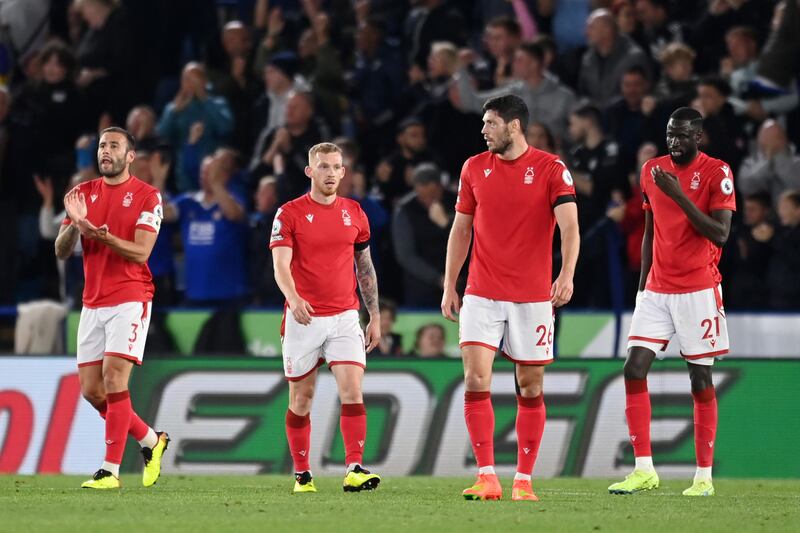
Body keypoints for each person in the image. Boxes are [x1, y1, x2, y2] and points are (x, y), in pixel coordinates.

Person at [441, 95, 579, 501]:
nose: (484, 130)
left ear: (514, 126)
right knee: (475, 378)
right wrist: (450, 284)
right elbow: (461, 229)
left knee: (530, 385)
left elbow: (570, 228)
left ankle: (523, 480)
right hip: (481, 292)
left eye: (491, 123)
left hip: (533, 297)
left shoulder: (551, 168)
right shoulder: (473, 168)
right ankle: (487, 476)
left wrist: (566, 274)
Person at [608, 107, 737, 497]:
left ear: (699, 136)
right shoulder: (652, 170)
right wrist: (643, 283)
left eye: (682, 135)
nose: (674, 142)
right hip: (657, 290)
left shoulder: (718, 173)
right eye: (669, 135)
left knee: (699, 378)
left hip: (698, 289)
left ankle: (703, 477)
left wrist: (679, 195)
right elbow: (650, 228)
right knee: (633, 368)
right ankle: (644, 469)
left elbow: (720, 233)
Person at [53, 127, 169, 489]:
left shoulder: (148, 196)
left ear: (130, 156)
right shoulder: (81, 194)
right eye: (102, 145)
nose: (105, 151)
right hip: (93, 301)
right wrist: (76, 228)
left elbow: (141, 252)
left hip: (131, 298)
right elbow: (60, 250)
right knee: (92, 390)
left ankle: (110, 470)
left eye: (114, 146)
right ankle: (151, 440)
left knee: (114, 379)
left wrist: (102, 235)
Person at [270, 142, 382, 494]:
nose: (330, 173)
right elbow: (280, 266)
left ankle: (354, 468)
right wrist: (294, 298)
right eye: (323, 167)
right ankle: (302, 474)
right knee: (301, 399)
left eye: (336, 167)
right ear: (310, 171)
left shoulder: (355, 213)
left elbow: (365, 268)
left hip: (346, 317)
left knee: (352, 391)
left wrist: (374, 315)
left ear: (344, 172)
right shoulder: (288, 213)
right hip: (305, 318)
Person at [392, 163, 455, 307]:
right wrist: (437, 278)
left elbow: (470, 240)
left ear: (440, 187)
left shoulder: (457, 201)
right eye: (423, 196)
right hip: (421, 286)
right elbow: (405, 255)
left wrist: (446, 224)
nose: (428, 201)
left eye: (433, 195)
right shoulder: (405, 209)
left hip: (459, 282)